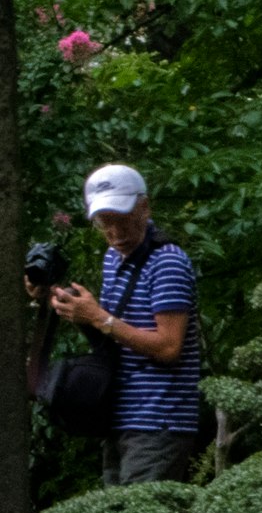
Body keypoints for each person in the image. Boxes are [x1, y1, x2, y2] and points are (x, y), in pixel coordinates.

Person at [46, 162, 205, 484]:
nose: (116, 234)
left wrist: (98, 317)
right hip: (119, 415)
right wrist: (74, 310)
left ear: (144, 207)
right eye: (105, 223)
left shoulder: (167, 261)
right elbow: (114, 337)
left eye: (123, 220)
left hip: (160, 419)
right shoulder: (113, 259)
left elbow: (168, 347)